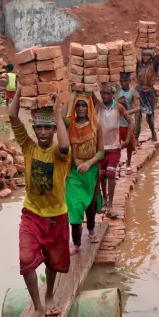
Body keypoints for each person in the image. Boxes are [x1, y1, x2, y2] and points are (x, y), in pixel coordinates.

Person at [8, 87, 71, 317]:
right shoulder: (28, 147)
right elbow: (12, 116)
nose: (43, 132)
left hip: (56, 216)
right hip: (32, 214)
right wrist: (20, 90)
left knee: (52, 262)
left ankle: (50, 295)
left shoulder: (59, 153)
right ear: (34, 130)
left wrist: (57, 115)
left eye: (48, 128)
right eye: (39, 128)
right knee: (26, 259)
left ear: (54, 130)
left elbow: (64, 145)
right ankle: (37, 306)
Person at [65, 93, 104, 255]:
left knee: (90, 204)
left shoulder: (96, 126)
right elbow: (59, 119)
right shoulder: (70, 125)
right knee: (74, 206)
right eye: (78, 105)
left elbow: (101, 151)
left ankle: (91, 229)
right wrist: (68, 97)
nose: (81, 108)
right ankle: (76, 243)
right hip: (74, 172)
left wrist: (89, 163)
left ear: (89, 108)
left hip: (91, 171)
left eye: (84, 105)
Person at [95, 82, 132, 219]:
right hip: (100, 147)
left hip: (114, 147)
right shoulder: (98, 106)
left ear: (113, 95)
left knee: (110, 173)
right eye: (103, 93)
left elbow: (130, 121)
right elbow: (90, 94)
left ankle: (110, 204)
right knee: (101, 175)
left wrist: (127, 140)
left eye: (108, 93)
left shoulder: (118, 107)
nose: (105, 96)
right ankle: (104, 198)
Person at [130, 49, 159, 144]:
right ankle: (136, 138)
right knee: (138, 115)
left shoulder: (154, 65)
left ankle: (153, 132)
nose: (145, 57)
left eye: (148, 55)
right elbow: (133, 55)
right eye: (143, 55)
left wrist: (153, 55)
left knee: (149, 115)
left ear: (151, 57)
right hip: (139, 91)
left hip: (149, 92)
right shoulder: (139, 65)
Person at [115, 72, 137, 169]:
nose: (123, 83)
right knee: (116, 144)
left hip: (128, 123)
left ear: (129, 81)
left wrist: (125, 112)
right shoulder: (117, 91)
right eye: (121, 81)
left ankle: (128, 162)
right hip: (117, 123)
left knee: (129, 145)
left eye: (125, 81)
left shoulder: (133, 93)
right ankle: (116, 161)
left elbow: (138, 108)